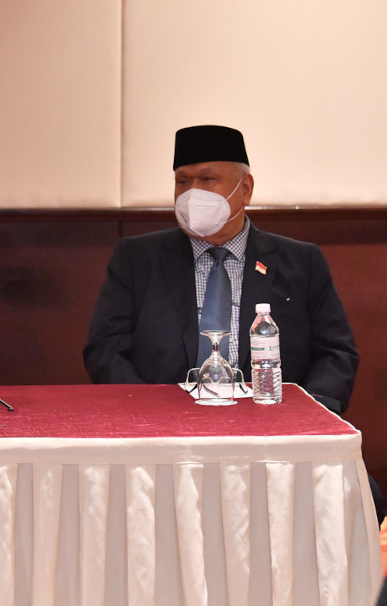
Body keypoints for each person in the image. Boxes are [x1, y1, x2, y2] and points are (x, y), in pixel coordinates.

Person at [84, 125, 384, 524]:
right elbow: (105, 348)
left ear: (245, 189)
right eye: (182, 181)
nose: (193, 192)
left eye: (207, 179)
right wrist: (150, 414)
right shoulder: (138, 258)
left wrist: (302, 415)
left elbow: (337, 352)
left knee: (362, 498)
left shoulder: (300, 261)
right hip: (166, 437)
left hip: (275, 434)